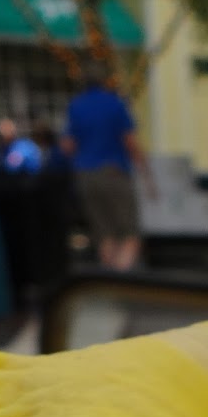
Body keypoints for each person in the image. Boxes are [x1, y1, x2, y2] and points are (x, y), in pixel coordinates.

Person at [63, 63, 153, 270]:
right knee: (130, 233)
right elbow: (130, 143)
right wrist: (148, 178)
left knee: (104, 234)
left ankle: (111, 276)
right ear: (105, 82)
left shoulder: (76, 106)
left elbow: (68, 146)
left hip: (85, 176)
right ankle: (122, 280)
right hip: (113, 173)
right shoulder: (115, 104)